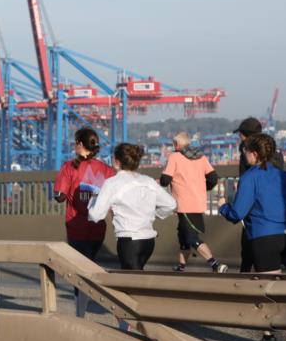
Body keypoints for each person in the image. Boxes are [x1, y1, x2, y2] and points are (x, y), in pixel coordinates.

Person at [219, 133, 286, 341]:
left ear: (254, 154)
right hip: (285, 236)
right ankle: (268, 337)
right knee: (265, 289)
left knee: (269, 294)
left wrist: (223, 207)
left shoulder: (250, 177)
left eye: (244, 152)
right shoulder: (283, 176)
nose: (243, 156)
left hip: (263, 239)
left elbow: (238, 213)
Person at [54, 128, 116, 315]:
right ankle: (86, 306)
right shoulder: (107, 170)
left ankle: (80, 313)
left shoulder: (69, 167)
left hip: (76, 227)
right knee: (88, 266)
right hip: (98, 229)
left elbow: (59, 196)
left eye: (75, 143)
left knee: (80, 272)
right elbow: (114, 201)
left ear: (80, 145)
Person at [89, 143, 176, 272]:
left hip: (129, 241)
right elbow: (171, 204)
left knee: (133, 282)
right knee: (136, 280)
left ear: (116, 162)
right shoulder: (148, 181)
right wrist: (155, 214)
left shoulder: (112, 183)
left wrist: (95, 197)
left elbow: (96, 215)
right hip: (148, 240)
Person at [233, 117, 286, 274]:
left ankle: (242, 281)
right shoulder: (274, 155)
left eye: (241, 135)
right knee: (279, 255)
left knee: (251, 250)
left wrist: (225, 206)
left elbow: (237, 211)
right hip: (280, 220)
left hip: (257, 217)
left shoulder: (249, 158)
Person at [159, 132, 228, 273]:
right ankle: (181, 266)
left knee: (191, 238)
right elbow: (213, 177)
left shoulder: (175, 157)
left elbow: (165, 180)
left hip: (184, 204)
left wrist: (164, 176)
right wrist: (204, 188)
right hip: (199, 201)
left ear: (176, 145)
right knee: (183, 234)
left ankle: (215, 265)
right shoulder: (201, 156)